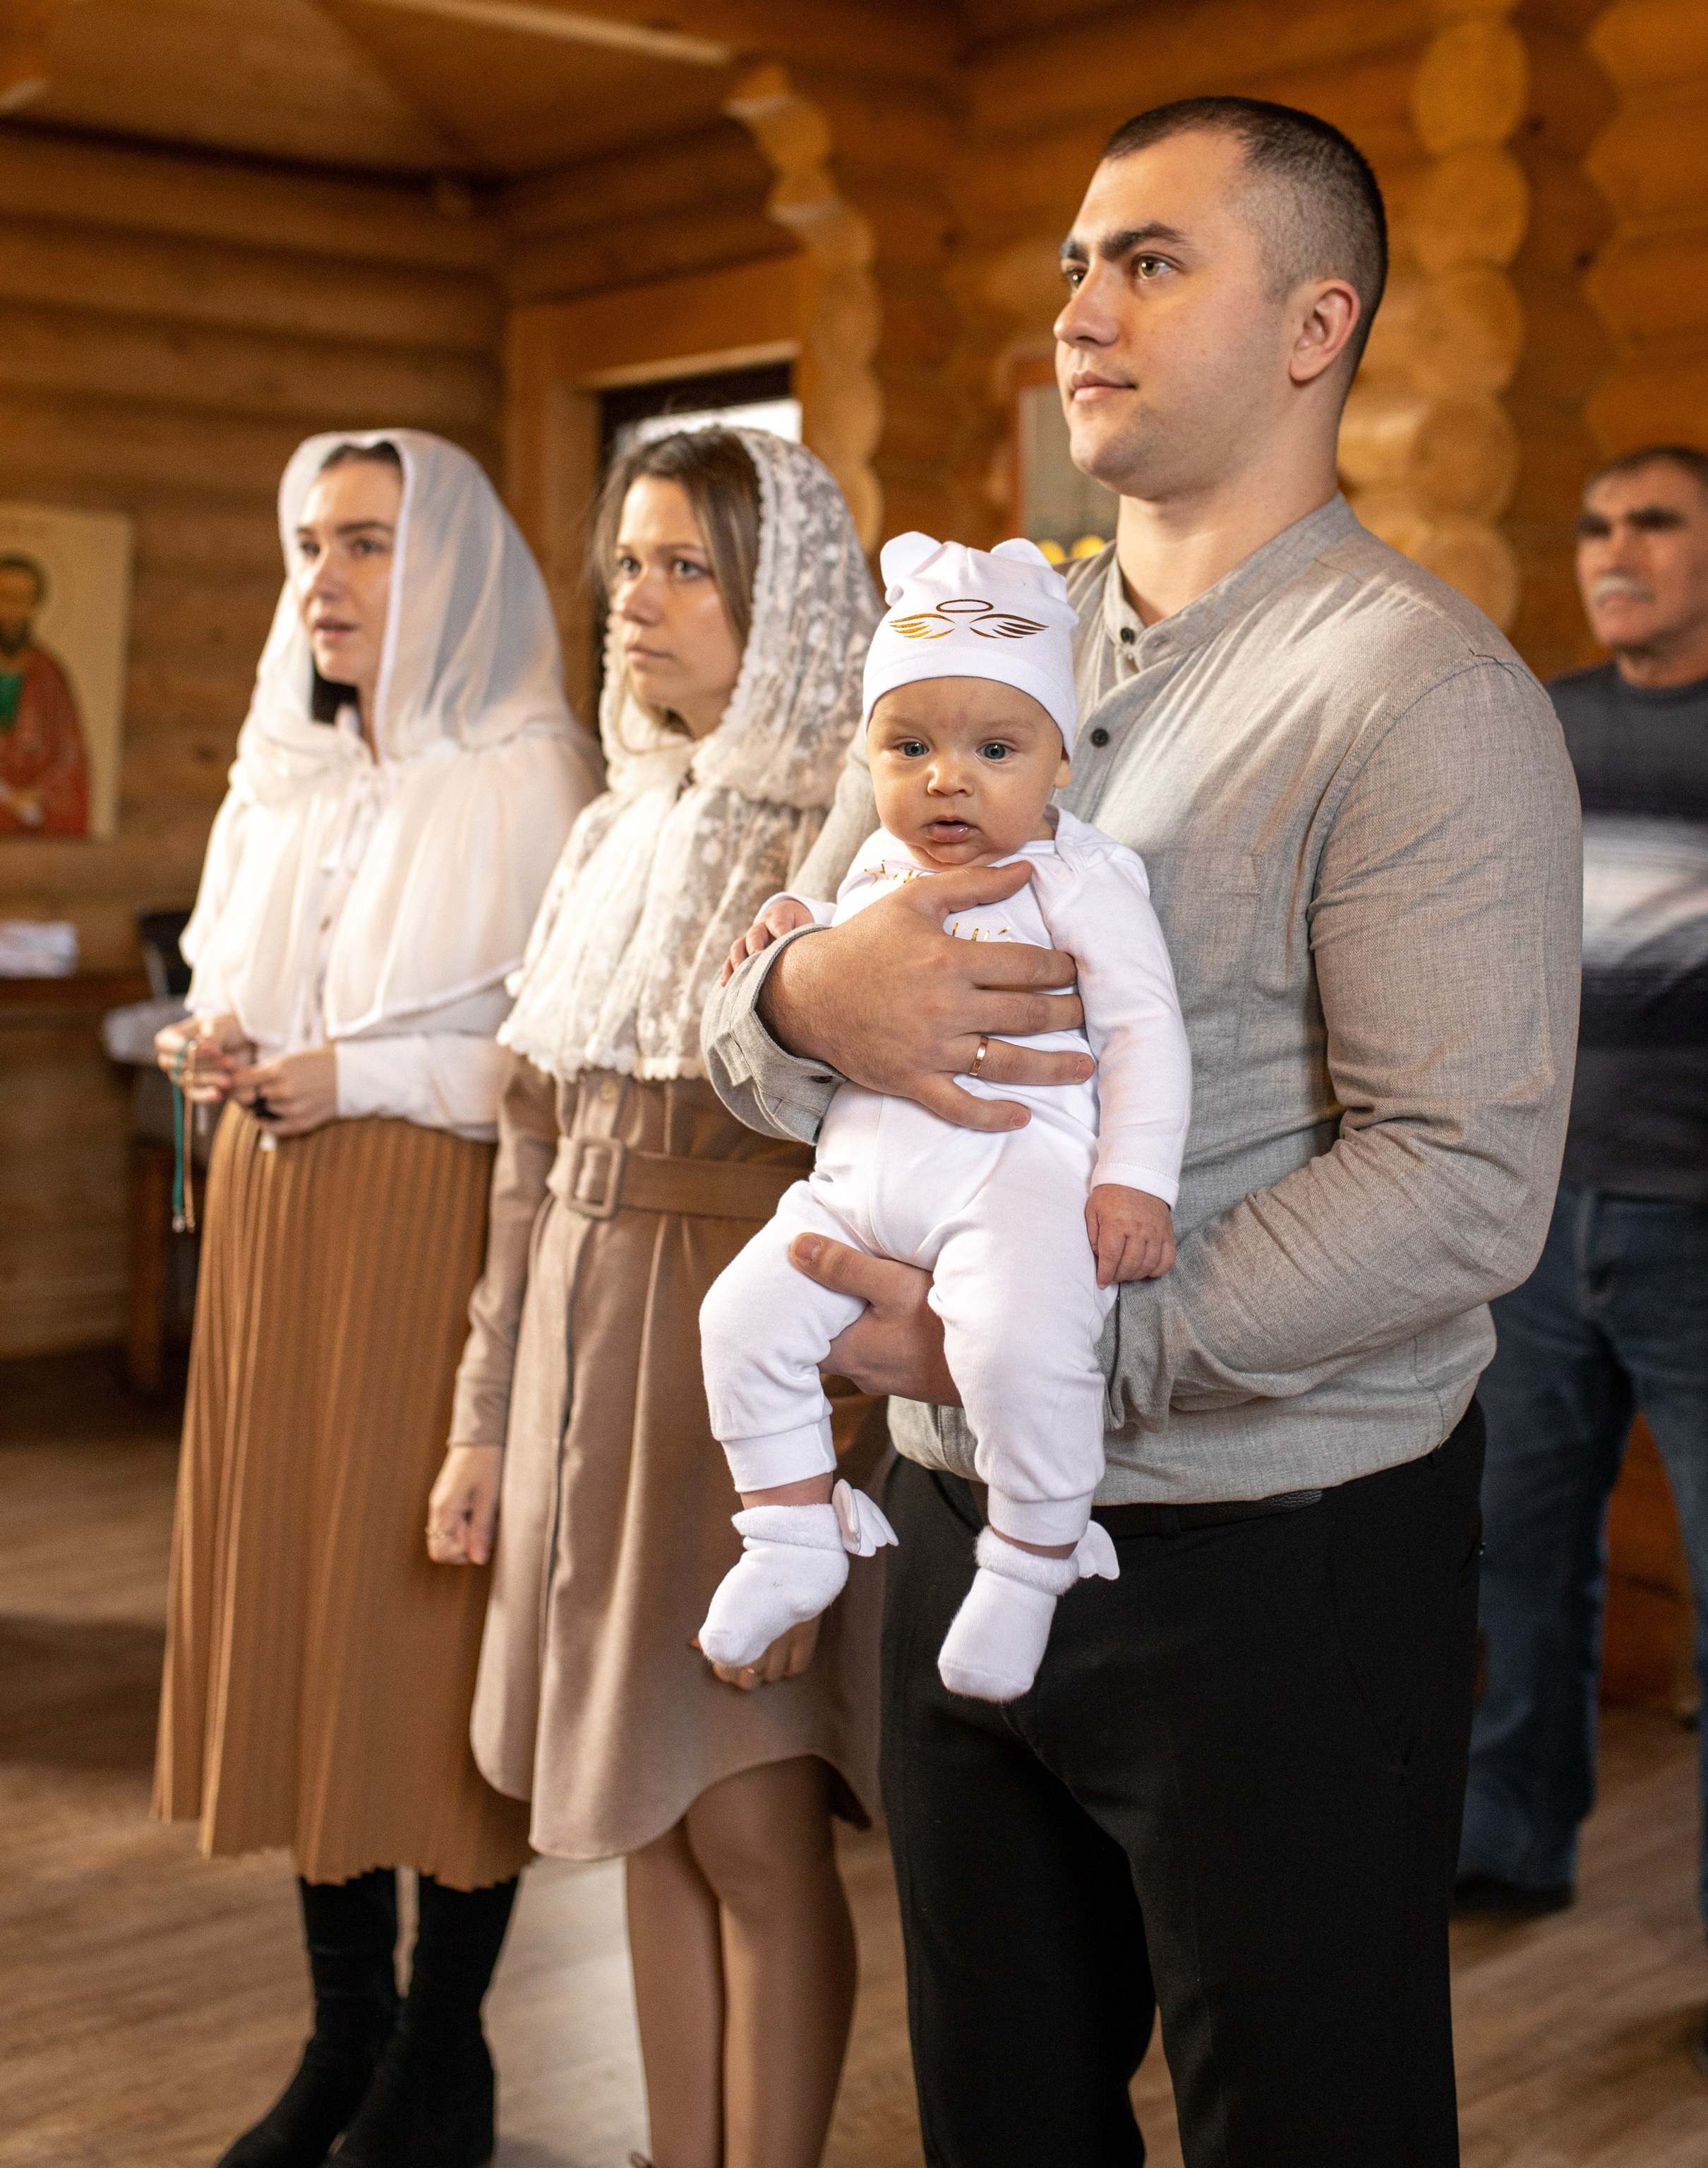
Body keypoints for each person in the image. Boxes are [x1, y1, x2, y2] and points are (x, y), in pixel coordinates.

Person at [703, 96, 1583, 2168]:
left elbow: (1460, 1180)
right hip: (950, 1513)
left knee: (1305, 2119)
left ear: (1313, 325)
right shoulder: (981, 647)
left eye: (1150, 261)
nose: (1080, 308)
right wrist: (797, 999)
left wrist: (1050, 1345)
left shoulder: (1415, 693)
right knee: (999, 2108)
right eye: (1074, 264)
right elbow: (758, 1007)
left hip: (1271, 1550)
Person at [426, 426, 884, 2168]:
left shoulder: (839, 842)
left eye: (684, 565)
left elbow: (881, 1181)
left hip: (738, 1372)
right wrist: (484, 1419)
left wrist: (821, 1464)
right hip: (582, 1352)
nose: (636, 598)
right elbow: (527, 1158)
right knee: (638, 1803)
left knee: (749, 1818)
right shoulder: (618, 828)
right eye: (627, 562)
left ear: (781, 603)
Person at [155, 430, 599, 2168]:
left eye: (365, 544)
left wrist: (364, 1075)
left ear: (457, 570)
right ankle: (344, 2036)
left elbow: (555, 1070)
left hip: (437, 1231)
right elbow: (251, 977)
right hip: (276, 1229)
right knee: (302, 1623)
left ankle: (441, 2049)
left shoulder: (535, 776)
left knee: (422, 1637)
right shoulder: (293, 770)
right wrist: (222, 1040)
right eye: (308, 544)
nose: (324, 580)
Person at [1457, 445, 1708, 2100]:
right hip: (1533, 1229)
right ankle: (1506, 1841)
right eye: (1594, 524)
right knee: (1515, 1566)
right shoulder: (1539, 722)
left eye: (1652, 523)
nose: (1612, 550)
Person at [699, 530, 1189, 1704]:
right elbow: (831, 956)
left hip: (1011, 1178)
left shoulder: (1084, 880)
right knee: (739, 1321)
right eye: (908, 747)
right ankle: (789, 1531)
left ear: (1060, 757)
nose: (946, 779)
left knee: (1021, 1347)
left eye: (994, 749)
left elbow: (1145, 1031)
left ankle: (1028, 1558)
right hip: (852, 1190)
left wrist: (1136, 1180)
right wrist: (795, 933)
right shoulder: (876, 863)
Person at [0, 550, 89, 833]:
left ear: (36, 605)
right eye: (4, 597)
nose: (12, 610)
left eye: (22, 599)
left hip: (31, 821)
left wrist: (36, 794)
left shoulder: (49, 676)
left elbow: (70, 758)